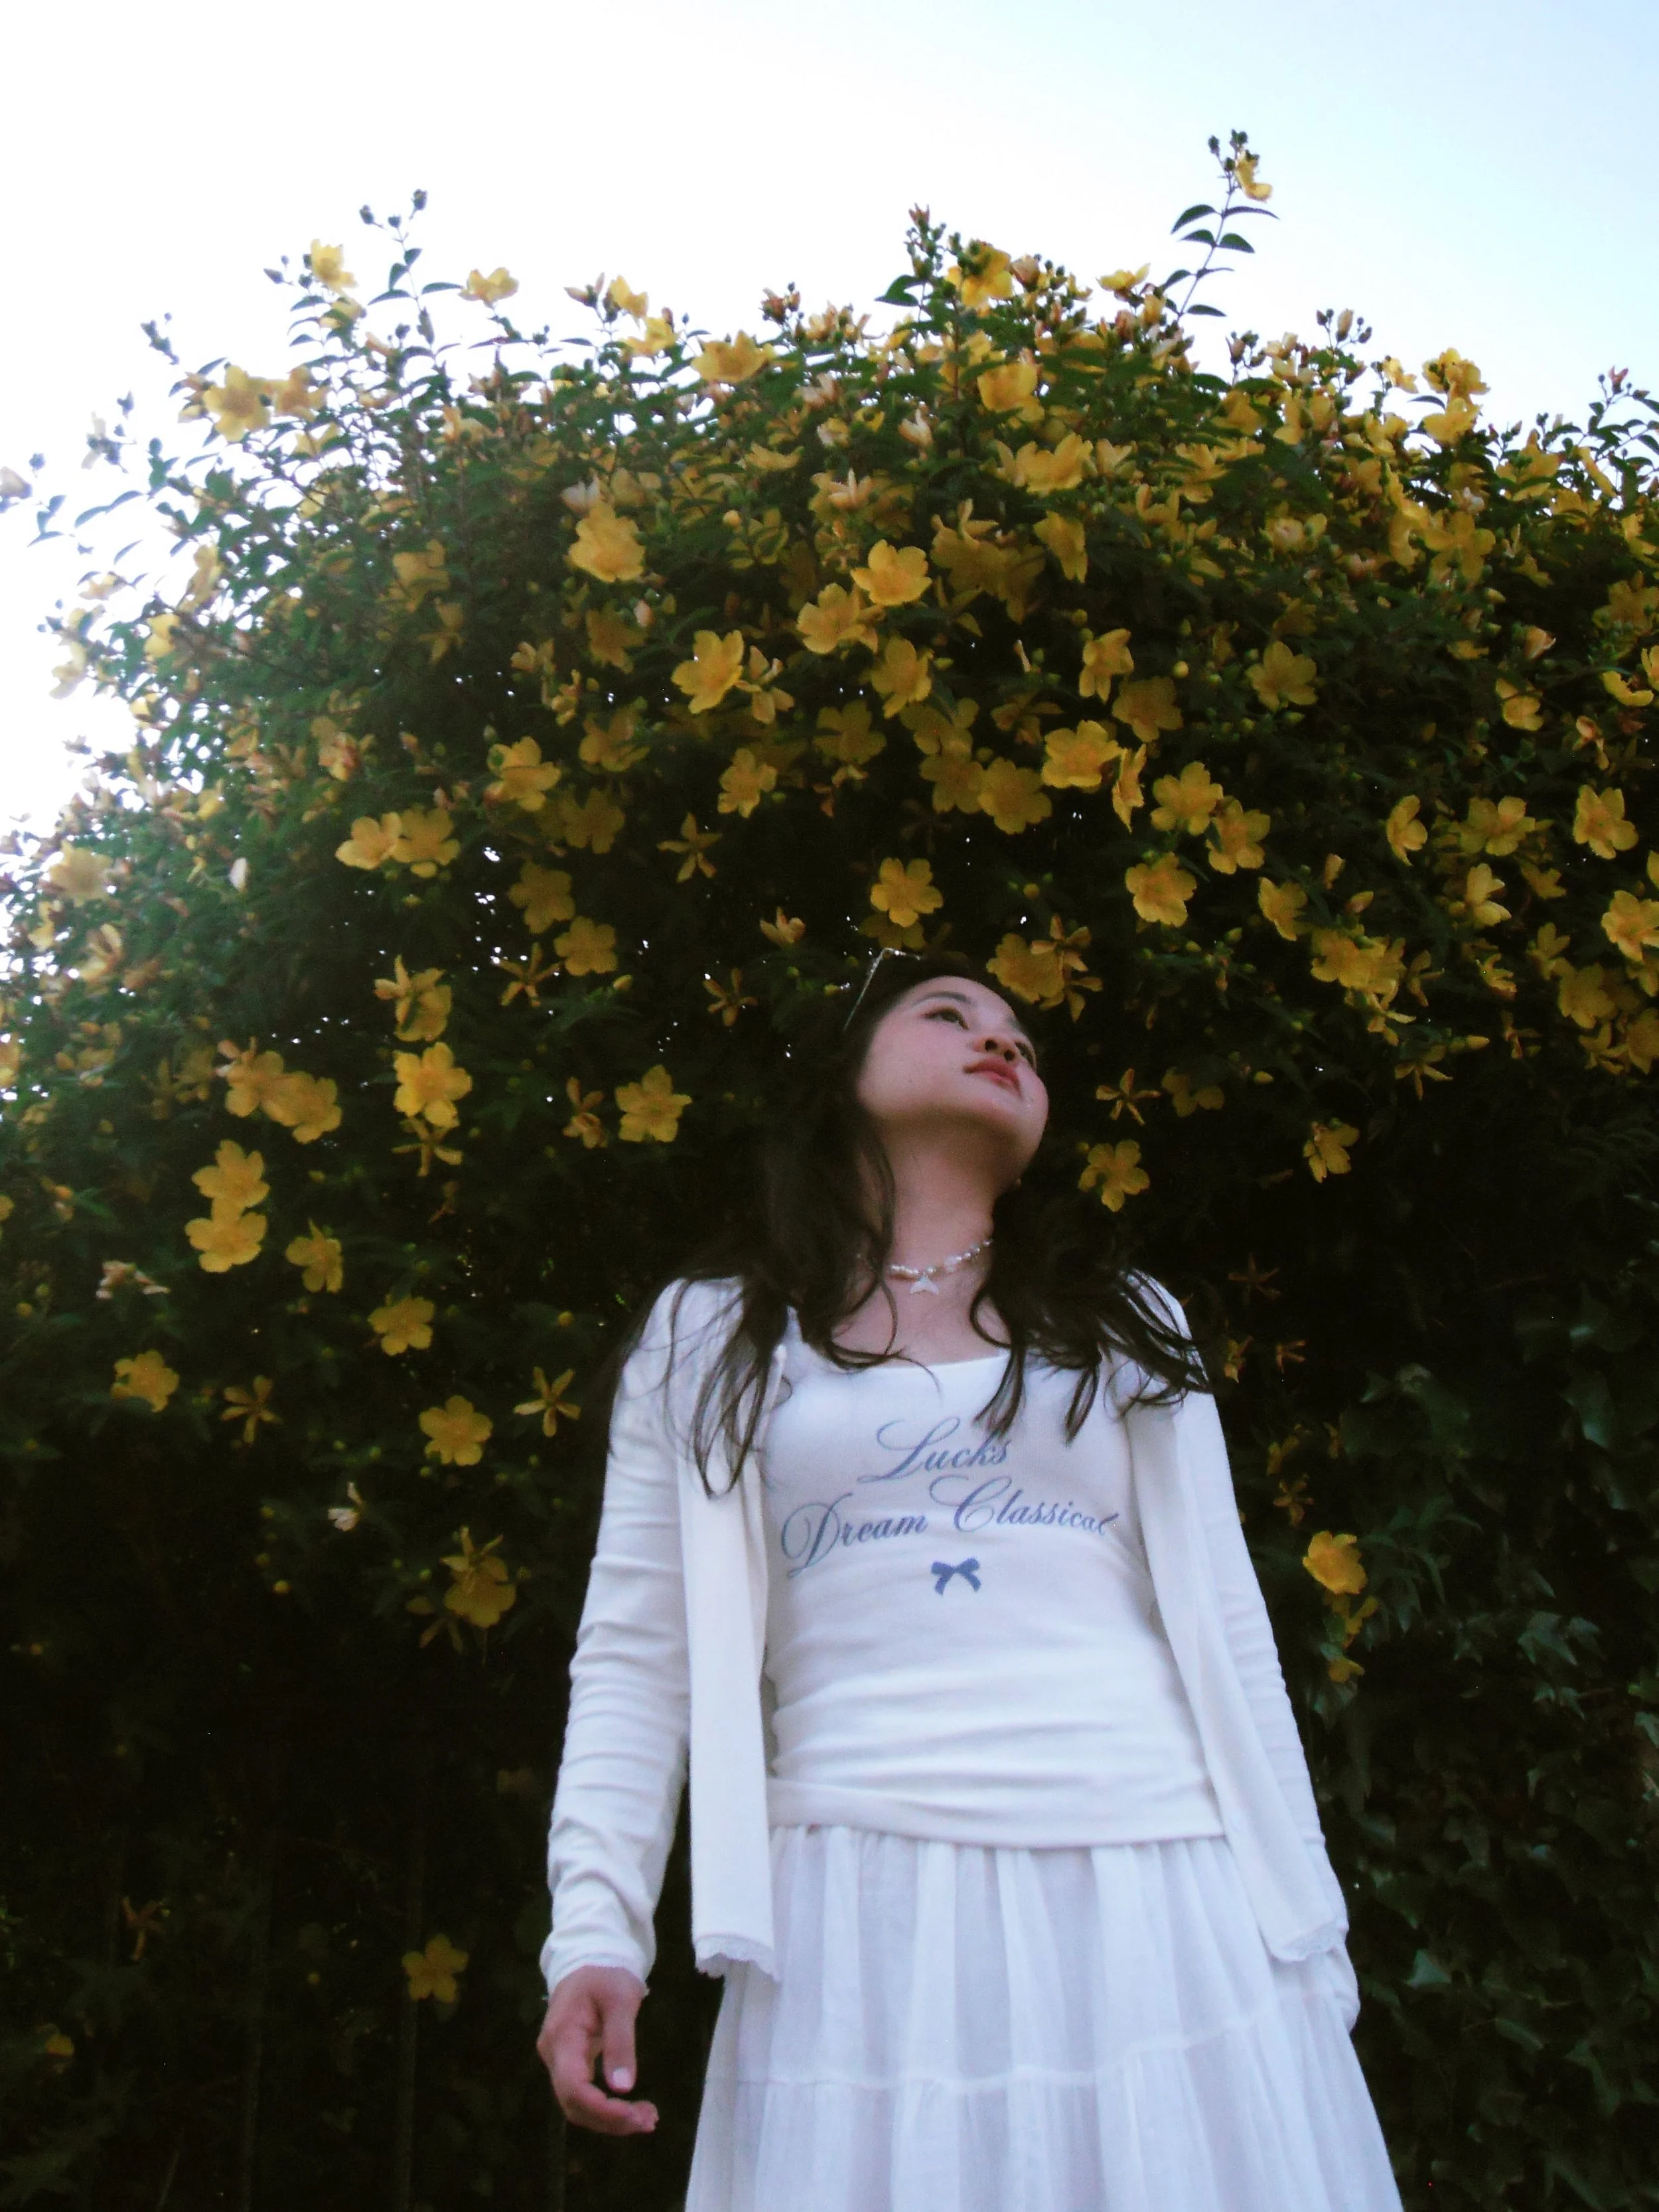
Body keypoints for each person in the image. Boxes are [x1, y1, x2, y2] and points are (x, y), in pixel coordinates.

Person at [536, 945, 1404, 2212]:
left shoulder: (1126, 1322)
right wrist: (595, 1933)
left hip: (1159, 1887)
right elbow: (636, 1654)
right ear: (843, 1077)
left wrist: (1312, 1936)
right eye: (950, 1015)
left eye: (1022, 1042)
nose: (1000, 1041)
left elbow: (1229, 1627)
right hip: (856, 1907)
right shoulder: (709, 1336)